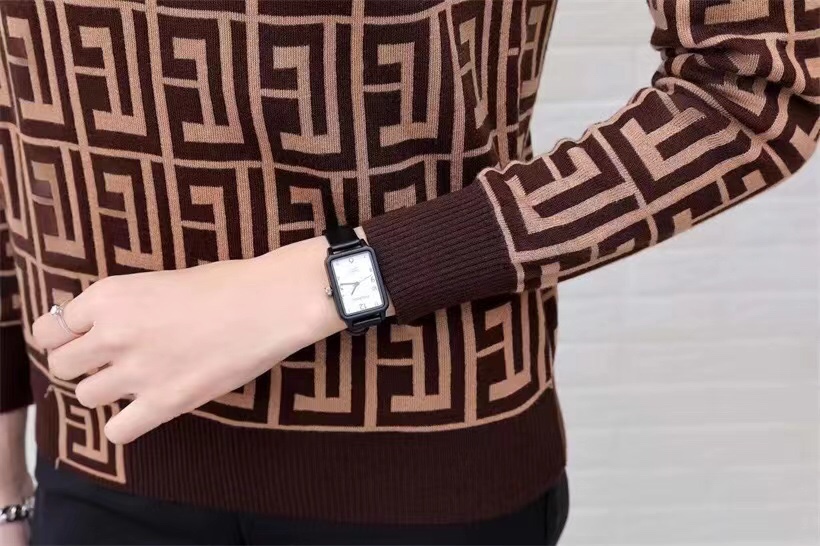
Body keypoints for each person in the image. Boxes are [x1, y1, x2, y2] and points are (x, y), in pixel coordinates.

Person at [0, 0, 817, 544]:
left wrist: (333, 280)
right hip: (94, 458)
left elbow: (760, 83)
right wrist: (6, 477)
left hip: (425, 488)